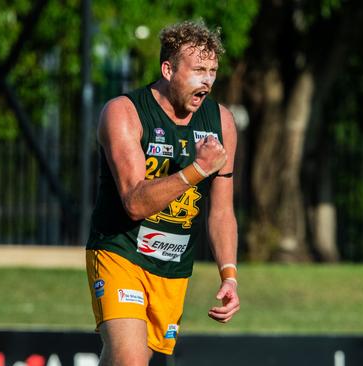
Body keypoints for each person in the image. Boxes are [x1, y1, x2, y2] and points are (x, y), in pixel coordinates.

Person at [85, 20, 240, 365]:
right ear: (168, 69)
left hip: (173, 266)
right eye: (198, 69)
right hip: (120, 251)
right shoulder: (124, 112)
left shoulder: (222, 122)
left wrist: (228, 274)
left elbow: (221, 211)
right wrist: (198, 169)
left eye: (213, 70)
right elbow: (135, 203)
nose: (208, 80)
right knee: (129, 358)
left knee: (135, 358)